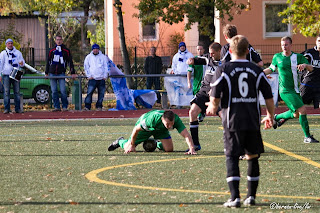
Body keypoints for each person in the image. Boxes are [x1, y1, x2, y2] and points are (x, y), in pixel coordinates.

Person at [206, 35, 275, 208]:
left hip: (232, 121)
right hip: (252, 119)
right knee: (252, 157)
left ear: (229, 51)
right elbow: (269, 97)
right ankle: (251, 197)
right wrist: (270, 116)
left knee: (231, 156)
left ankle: (235, 197)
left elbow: (214, 97)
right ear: (247, 51)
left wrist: (212, 107)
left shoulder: (223, 69)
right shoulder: (256, 70)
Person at [264, 36, 319, 143]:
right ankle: (307, 137)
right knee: (302, 109)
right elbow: (271, 69)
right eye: (282, 45)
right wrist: (259, 73)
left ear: (291, 45)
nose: (284, 47)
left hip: (295, 90)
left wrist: (305, 65)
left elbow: (311, 68)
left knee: (296, 114)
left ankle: (276, 117)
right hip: (284, 90)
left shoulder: (297, 56)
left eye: (286, 44)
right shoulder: (277, 57)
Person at [108, 110, 197, 155]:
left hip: (161, 130)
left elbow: (186, 135)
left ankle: (157, 143)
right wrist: (132, 144)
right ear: (162, 119)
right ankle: (120, 141)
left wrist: (191, 148)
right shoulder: (151, 120)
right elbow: (136, 130)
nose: (170, 126)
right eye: (168, 124)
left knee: (169, 150)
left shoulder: (176, 119)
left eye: (171, 124)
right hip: (147, 129)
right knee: (128, 148)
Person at [186, 42, 222, 151]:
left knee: (225, 118)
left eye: (213, 53)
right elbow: (197, 60)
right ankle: (195, 144)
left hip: (218, 93)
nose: (210, 55)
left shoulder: (226, 61)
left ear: (219, 51)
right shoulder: (208, 58)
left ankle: (233, 145)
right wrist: (191, 61)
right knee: (192, 112)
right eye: (210, 53)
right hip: (204, 91)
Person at [45, 35, 76, 112]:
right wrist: (46, 72)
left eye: (60, 40)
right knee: (54, 91)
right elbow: (48, 62)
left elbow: (70, 62)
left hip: (61, 73)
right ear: (55, 41)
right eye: (57, 40)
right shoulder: (51, 50)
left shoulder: (66, 51)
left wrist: (72, 72)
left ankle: (65, 106)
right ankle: (56, 106)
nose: (59, 41)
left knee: (63, 90)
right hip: (52, 73)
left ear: (62, 41)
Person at [0, 38, 25, 114]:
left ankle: (17, 108)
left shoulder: (18, 53)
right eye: (9, 43)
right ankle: (7, 108)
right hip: (6, 74)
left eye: (11, 43)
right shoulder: (3, 53)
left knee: (17, 91)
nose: (10, 45)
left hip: (16, 73)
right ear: (6, 44)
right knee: (6, 92)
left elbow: (23, 63)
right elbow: (1, 64)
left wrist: (21, 63)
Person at [83, 44, 109, 111]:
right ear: (92, 49)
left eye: (97, 49)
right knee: (89, 93)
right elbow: (86, 67)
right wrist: (89, 75)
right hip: (93, 79)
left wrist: (105, 76)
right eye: (94, 49)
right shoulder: (88, 57)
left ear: (98, 49)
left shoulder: (103, 57)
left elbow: (106, 67)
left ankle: (99, 106)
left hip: (101, 79)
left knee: (101, 93)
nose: (95, 50)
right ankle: (87, 106)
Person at [169, 42, 194, 108]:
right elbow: (174, 65)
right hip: (179, 76)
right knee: (179, 91)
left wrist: (190, 72)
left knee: (189, 90)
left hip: (187, 76)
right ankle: (179, 104)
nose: (182, 47)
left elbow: (193, 65)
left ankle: (191, 104)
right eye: (181, 46)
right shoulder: (176, 56)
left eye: (183, 46)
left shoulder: (190, 55)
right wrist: (176, 72)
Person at [300, 34, 320, 109]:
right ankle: (282, 118)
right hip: (308, 84)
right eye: (319, 41)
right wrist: (303, 64)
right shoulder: (309, 53)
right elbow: (298, 59)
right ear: (316, 42)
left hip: (318, 86)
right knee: (298, 106)